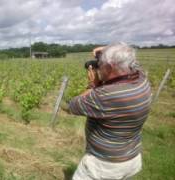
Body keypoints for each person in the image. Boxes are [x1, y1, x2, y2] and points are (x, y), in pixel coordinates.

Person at [64, 42, 152, 180]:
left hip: (104, 165)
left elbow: (73, 106)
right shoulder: (141, 78)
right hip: (131, 157)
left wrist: (93, 85)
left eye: (101, 65)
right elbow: (131, 60)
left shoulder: (106, 95)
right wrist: (106, 51)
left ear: (110, 67)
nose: (99, 68)